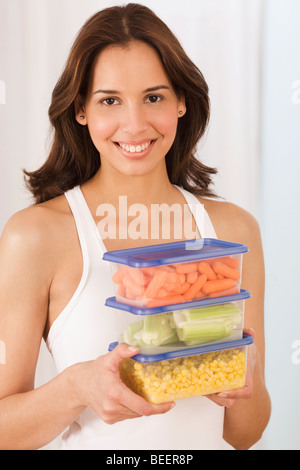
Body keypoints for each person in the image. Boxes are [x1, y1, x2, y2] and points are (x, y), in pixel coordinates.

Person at [0, 3, 271, 450]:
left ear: (182, 101)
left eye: (154, 97)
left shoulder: (233, 232)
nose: (135, 124)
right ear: (81, 110)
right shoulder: (36, 236)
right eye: (110, 100)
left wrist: (245, 378)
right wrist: (74, 388)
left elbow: (245, 434)